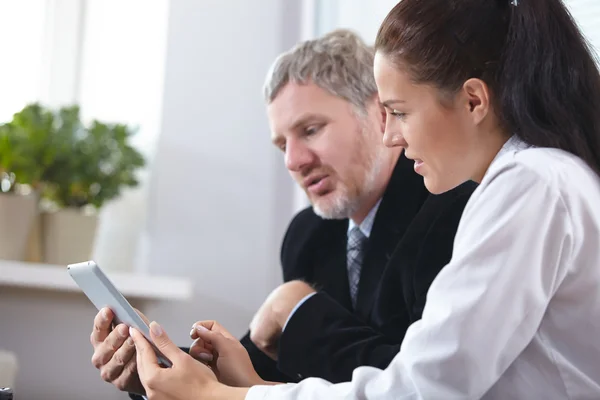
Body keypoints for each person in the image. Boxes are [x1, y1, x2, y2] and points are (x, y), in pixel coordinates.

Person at [126, 0, 600, 398]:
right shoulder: (532, 181)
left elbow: (420, 387)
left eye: (398, 112)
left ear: (474, 101)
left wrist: (223, 397)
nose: (390, 134)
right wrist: (236, 382)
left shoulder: (531, 186)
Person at [88, 29, 475, 398]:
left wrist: (297, 309)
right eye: (281, 144)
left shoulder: (452, 211)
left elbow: (421, 384)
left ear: (380, 113)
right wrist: (161, 377)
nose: (293, 161)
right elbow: (259, 380)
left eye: (310, 130)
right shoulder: (308, 235)